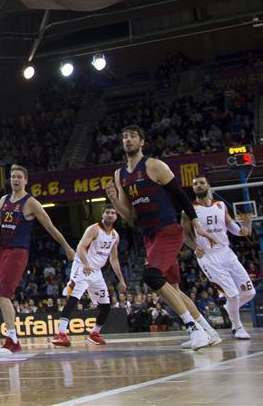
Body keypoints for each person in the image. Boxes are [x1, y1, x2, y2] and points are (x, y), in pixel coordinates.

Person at [104, 125, 220, 350]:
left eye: (133, 136)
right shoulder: (120, 175)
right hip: (149, 236)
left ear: (142, 142)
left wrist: (195, 221)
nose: (128, 140)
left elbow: (180, 195)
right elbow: (127, 215)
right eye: (124, 136)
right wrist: (114, 199)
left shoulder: (154, 165)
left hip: (168, 229)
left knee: (151, 276)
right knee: (173, 290)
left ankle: (193, 328)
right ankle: (209, 331)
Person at [0, 165, 75, 355]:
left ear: (25, 181)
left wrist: (67, 247)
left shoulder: (31, 202)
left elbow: (50, 227)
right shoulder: (4, 200)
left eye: (19, 177)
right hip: (2, 250)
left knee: (3, 294)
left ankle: (13, 341)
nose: (15, 179)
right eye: (12, 176)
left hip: (18, 252)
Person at [183, 175, 255, 340]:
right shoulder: (188, 209)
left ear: (208, 185)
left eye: (201, 183)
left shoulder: (221, 205)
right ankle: (237, 327)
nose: (199, 186)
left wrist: (243, 229)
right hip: (209, 257)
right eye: (195, 184)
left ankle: (229, 308)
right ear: (193, 188)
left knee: (249, 292)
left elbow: (230, 225)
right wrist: (195, 247)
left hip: (226, 253)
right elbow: (185, 236)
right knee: (233, 295)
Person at [52, 205, 126, 347]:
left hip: (97, 272)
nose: (110, 215)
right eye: (107, 212)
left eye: (113, 213)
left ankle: (94, 334)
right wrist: (86, 264)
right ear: (102, 214)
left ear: (116, 217)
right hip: (82, 267)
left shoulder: (115, 236)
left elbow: (114, 258)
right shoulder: (94, 229)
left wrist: (121, 279)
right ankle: (61, 334)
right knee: (73, 300)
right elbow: (80, 247)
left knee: (105, 306)